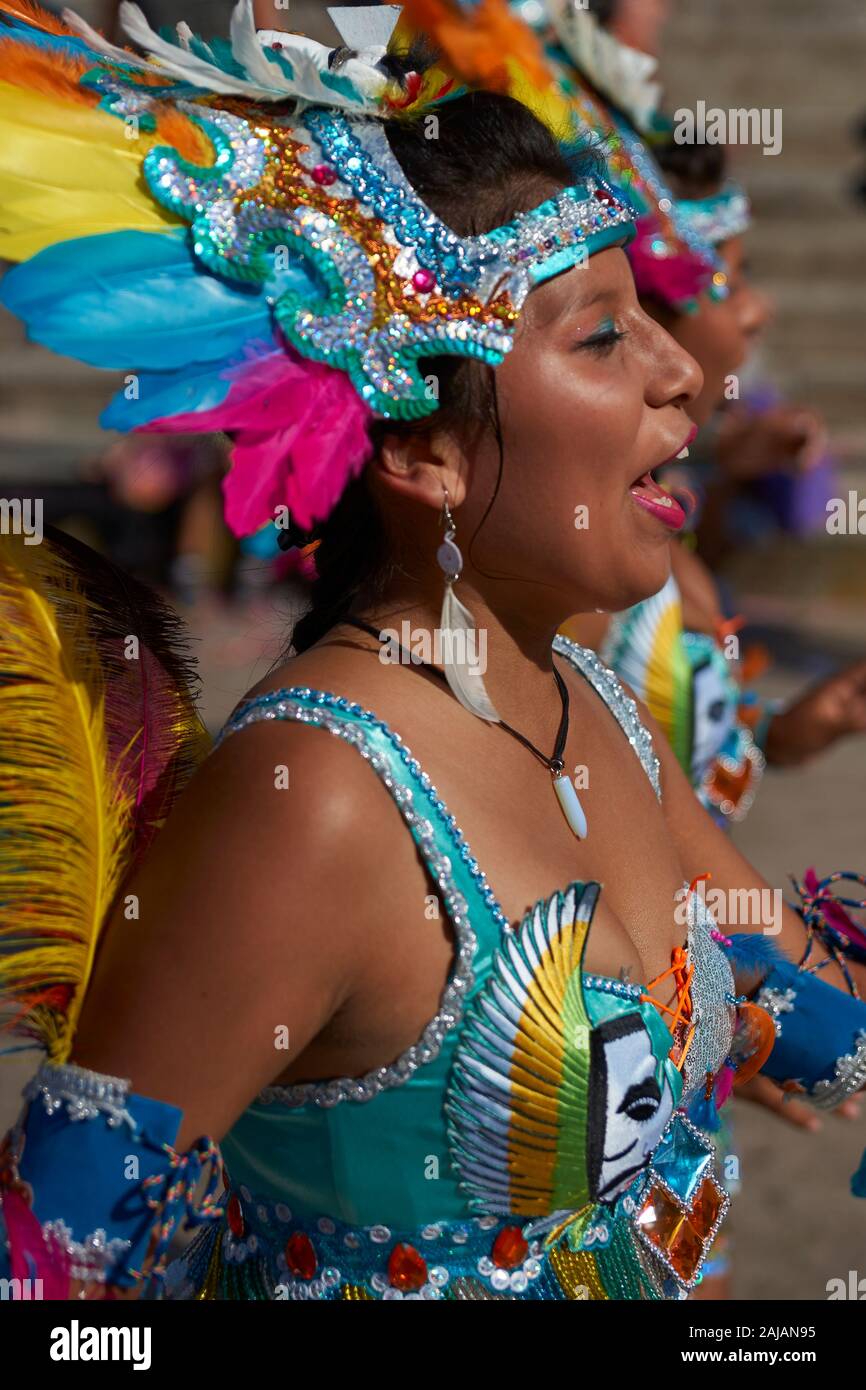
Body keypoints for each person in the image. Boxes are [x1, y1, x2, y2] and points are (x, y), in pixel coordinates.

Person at [1, 2, 866, 1305]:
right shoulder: (322, 798)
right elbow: (55, 1278)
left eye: (650, 318)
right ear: (421, 449)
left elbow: (777, 972)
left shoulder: (591, 706)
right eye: (598, 336)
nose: (682, 372)